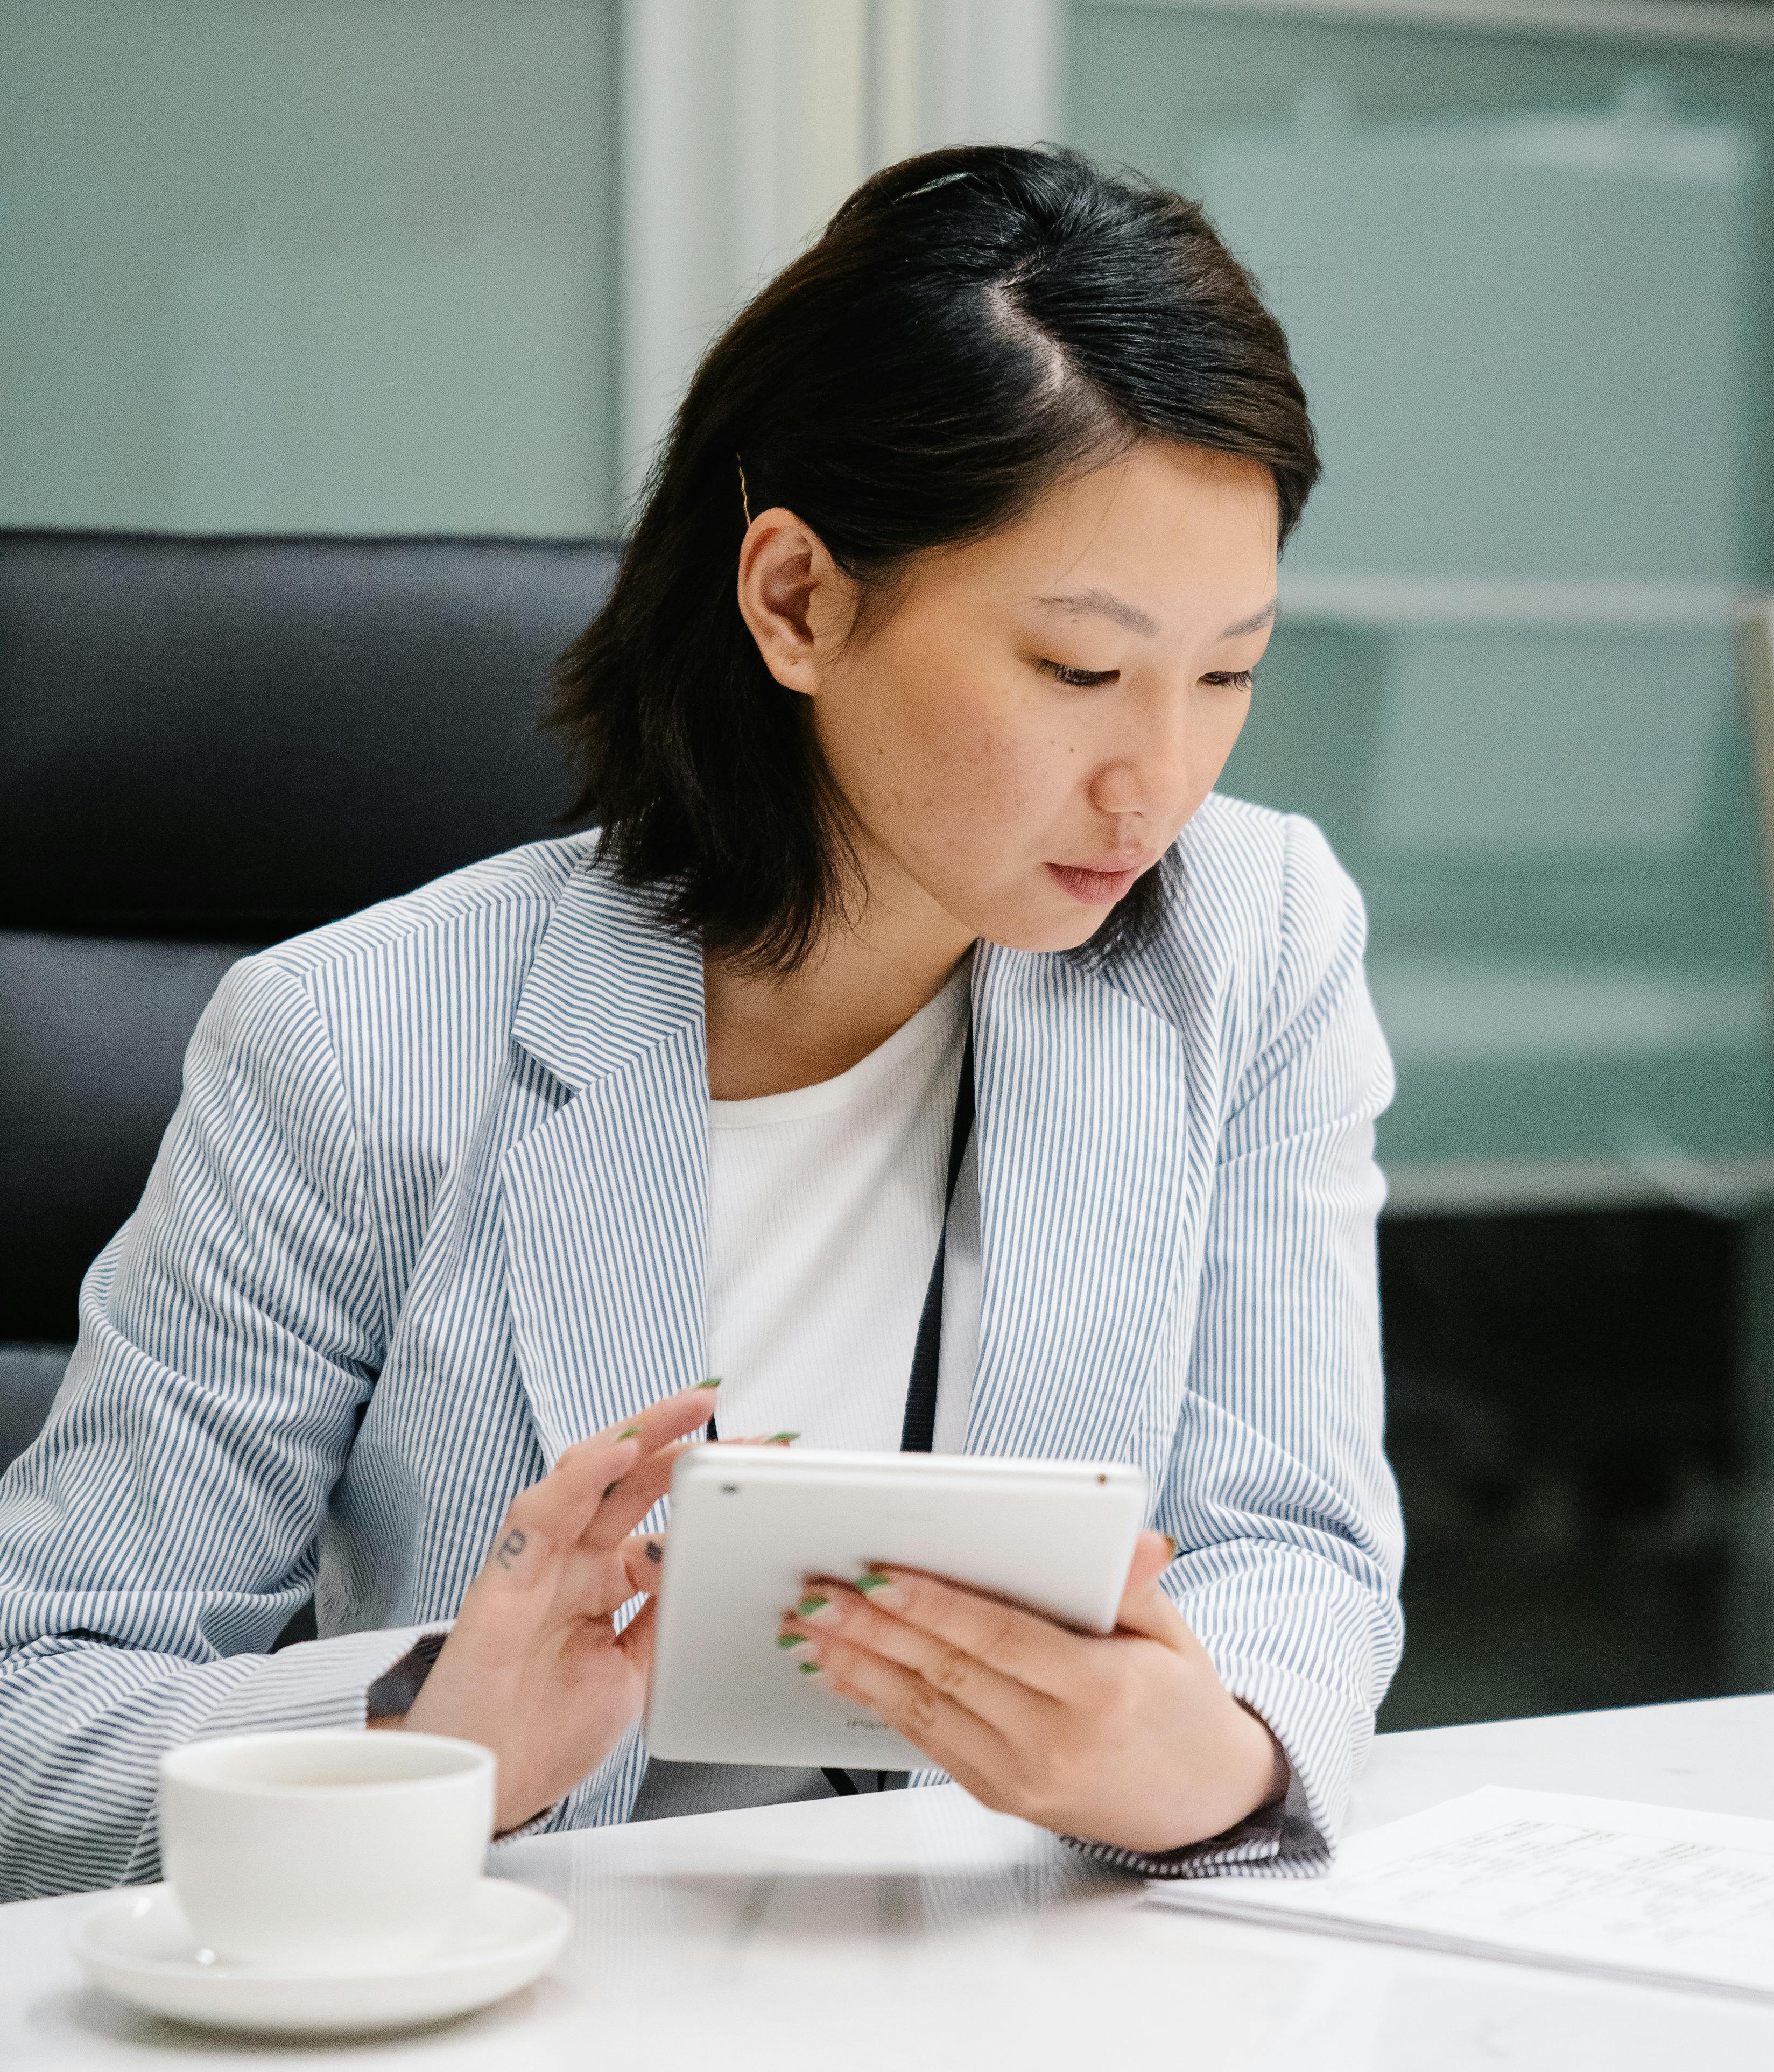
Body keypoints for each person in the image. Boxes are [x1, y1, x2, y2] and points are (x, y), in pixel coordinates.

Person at [0, 146, 1402, 1900]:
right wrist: (422, 1747)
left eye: (1230, 673)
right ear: (796, 598)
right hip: (525, 2048)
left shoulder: (1248, 942)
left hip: (1031, 2004)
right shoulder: (355, 1042)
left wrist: (1210, 1755)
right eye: (1077, 672)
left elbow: (1299, 1549)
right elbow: (30, 1708)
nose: (1162, 781)